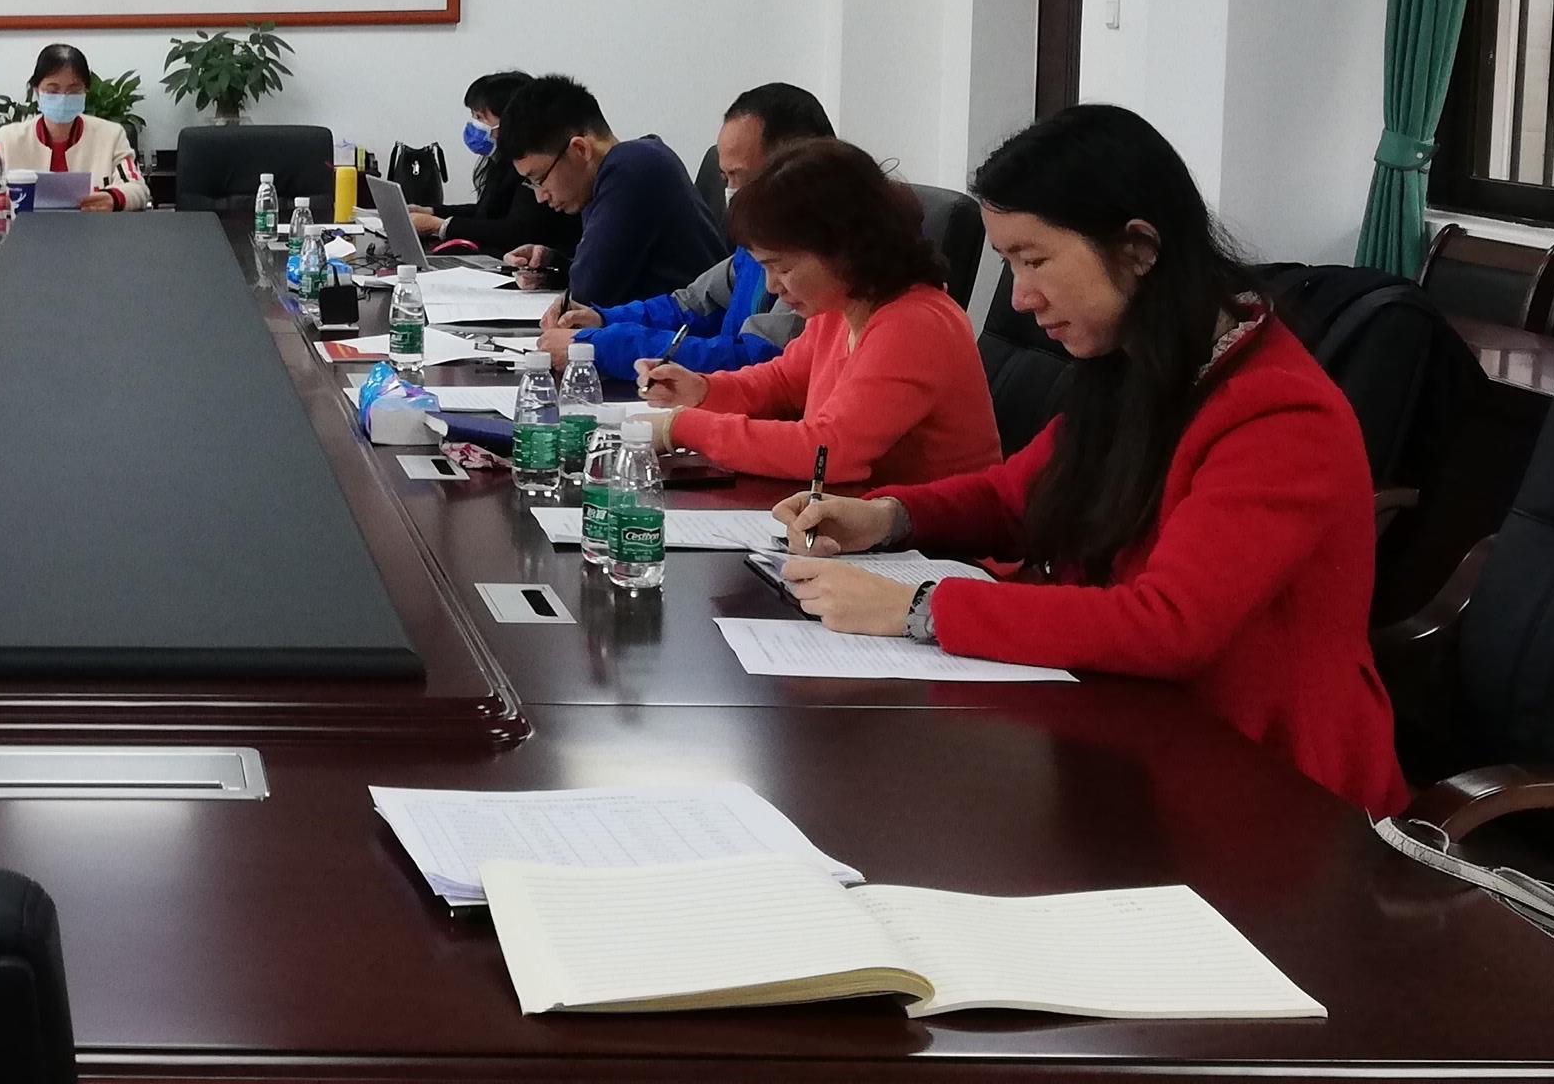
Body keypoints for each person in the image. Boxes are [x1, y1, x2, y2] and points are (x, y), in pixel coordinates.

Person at [772, 105, 1408, 815]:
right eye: (1009, 263)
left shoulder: (1280, 415)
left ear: (1139, 247)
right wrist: (887, 517)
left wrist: (920, 607)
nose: (1020, 297)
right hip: (1126, 738)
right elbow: (1015, 497)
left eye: (1035, 259)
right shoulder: (1137, 366)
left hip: (1264, 790)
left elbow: (1170, 624)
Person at [628, 139, 999, 488]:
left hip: (939, 535)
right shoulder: (839, 306)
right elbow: (782, 383)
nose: (772, 286)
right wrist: (703, 389)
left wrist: (682, 428)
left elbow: (828, 452)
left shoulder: (914, 325)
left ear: (844, 249)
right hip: (862, 518)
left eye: (783, 268)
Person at [540, 82, 835, 377]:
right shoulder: (757, 244)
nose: (731, 193)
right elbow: (692, 305)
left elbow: (753, 361)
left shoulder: (820, 259)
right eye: (725, 178)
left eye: (739, 176)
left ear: (795, 167)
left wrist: (600, 347)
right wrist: (602, 320)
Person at [492, 73, 727, 310]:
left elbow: (588, 293)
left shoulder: (632, 171)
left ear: (580, 149)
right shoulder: (630, 163)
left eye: (539, 180)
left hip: (683, 329)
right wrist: (552, 265)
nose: (540, 196)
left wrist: (575, 280)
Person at [403, 71, 572, 255]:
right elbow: (485, 212)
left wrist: (441, 226)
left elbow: (517, 230)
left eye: (480, 117)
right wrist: (430, 211)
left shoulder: (532, 167)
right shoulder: (500, 162)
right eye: (473, 116)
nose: (474, 125)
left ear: (510, 120)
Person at [0, 43, 150, 210]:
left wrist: (114, 198)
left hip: (92, 225)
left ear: (85, 91)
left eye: (74, 91)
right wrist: (1, 196)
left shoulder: (111, 135)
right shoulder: (8, 138)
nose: (63, 98)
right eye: (53, 91)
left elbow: (137, 187)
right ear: (37, 91)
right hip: (24, 225)